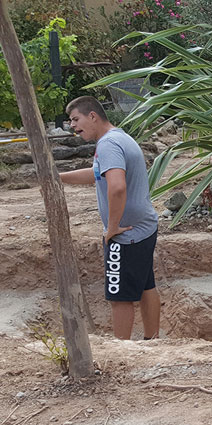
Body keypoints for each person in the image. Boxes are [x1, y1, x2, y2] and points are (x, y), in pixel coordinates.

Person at [59, 96, 160, 340]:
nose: (72, 125)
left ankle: (122, 351)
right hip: (144, 227)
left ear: (92, 115)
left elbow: (116, 187)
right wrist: (57, 176)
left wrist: (112, 227)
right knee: (146, 285)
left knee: (119, 297)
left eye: (76, 119)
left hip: (126, 234)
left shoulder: (108, 145)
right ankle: (152, 341)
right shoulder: (119, 138)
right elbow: (97, 175)